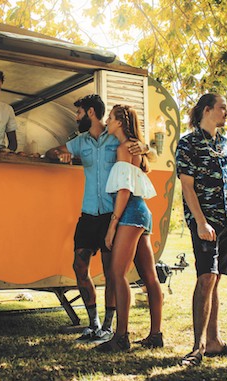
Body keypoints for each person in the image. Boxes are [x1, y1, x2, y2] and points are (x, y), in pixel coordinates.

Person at [45, 94, 153, 343]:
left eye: (79, 112)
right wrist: (58, 156)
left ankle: (108, 326)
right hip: (88, 213)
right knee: (79, 266)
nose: (76, 117)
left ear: (91, 112)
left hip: (112, 213)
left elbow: (142, 150)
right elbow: (53, 151)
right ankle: (93, 323)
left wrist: (148, 148)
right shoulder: (80, 142)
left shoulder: (116, 138)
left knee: (110, 272)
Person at [175, 93, 227, 366]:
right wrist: (201, 222)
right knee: (205, 278)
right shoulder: (188, 143)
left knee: (215, 280)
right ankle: (197, 347)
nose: (226, 113)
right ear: (207, 110)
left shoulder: (226, 145)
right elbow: (187, 186)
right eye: (222, 108)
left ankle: (214, 342)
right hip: (205, 222)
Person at [95, 105, 164, 352]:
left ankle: (121, 337)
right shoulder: (134, 146)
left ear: (120, 122)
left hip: (130, 212)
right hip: (141, 212)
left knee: (117, 273)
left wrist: (113, 225)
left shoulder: (125, 148)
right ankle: (156, 334)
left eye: (110, 118)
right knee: (149, 275)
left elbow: (124, 189)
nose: (107, 121)